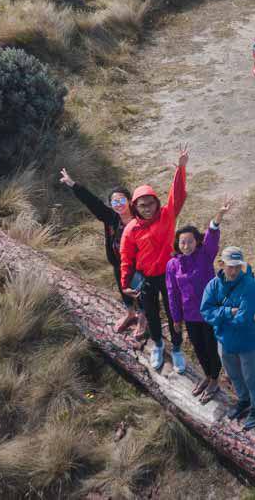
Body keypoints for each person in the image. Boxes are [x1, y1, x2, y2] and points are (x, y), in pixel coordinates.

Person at [120, 146, 189, 371]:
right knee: (151, 313)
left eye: (151, 203)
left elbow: (177, 195)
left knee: (174, 313)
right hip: (146, 279)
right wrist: (125, 284)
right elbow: (126, 258)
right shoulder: (131, 229)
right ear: (135, 207)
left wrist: (180, 169)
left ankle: (177, 349)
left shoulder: (168, 215)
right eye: (142, 205)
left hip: (169, 276)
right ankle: (158, 345)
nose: (147, 208)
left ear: (157, 203)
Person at [58, 168, 141, 336]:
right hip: (119, 264)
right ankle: (130, 314)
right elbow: (93, 202)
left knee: (142, 292)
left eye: (122, 200)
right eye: (114, 202)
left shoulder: (140, 219)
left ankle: (144, 319)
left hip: (139, 265)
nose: (119, 205)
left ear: (130, 201)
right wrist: (73, 185)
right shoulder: (110, 217)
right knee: (123, 288)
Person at [166, 196, 233, 400]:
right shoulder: (172, 265)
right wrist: (176, 319)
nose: (186, 245)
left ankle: (214, 380)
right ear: (178, 244)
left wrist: (218, 216)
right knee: (198, 348)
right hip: (191, 315)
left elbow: (212, 236)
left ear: (197, 242)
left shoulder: (205, 255)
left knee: (212, 348)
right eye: (182, 242)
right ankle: (207, 375)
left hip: (211, 312)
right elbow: (172, 293)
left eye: (190, 241)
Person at [201, 246, 255, 430]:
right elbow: (205, 311)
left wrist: (219, 316)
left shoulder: (251, 286)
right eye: (231, 266)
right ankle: (244, 400)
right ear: (221, 264)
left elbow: (244, 318)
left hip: (247, 342)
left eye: (238, 266)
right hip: (224, 341)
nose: (235, 270)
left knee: (251, 375)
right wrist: (228, 311)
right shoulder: (213, 285)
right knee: (234, 375)